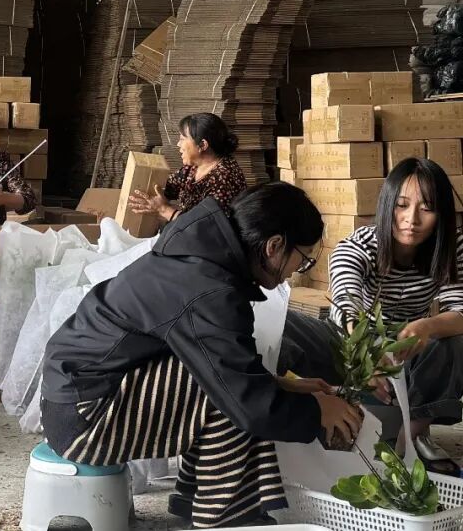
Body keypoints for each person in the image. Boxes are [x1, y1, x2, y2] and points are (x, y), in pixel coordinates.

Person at [41, 183, 361, 528]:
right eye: (303, 258)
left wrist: (283, 386)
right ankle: (227, 518)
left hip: (75, 398)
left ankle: (197, 501)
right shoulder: (209, 290)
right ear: (274, 245)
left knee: (230, 384)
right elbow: (247, 403)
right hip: (85, 421)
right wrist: (317, 411)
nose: (297, 270)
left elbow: (206, 361)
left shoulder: (197, 255)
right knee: (234, 400)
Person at [280, 157, 463, 476]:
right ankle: (291, 414)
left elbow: (460, 311)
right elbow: (346, 305)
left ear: (442, 214)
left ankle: (413, 435)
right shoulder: (357, 247)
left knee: (453, 340)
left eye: (427, 208)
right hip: (349, 346)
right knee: (284, 324)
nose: (411, 219)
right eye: (401, 205)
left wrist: (427, 326)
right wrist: (364, 352)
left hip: (407, 353)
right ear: (387, 203)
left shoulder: (452, 247)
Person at [127, 112, 246, 222]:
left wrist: (164, 209)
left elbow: (204, 226)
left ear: (202, 145)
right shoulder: (193, 168)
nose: (178, 144)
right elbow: (165, 188)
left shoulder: (224, 178)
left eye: (182, 139)